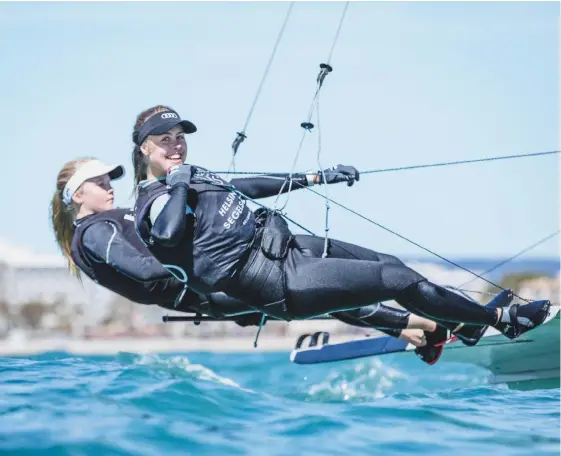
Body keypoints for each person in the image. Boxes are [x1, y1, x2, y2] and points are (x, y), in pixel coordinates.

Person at [131, 104, 550, 345]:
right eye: (165, 139)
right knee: (397, 279)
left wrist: (315, 177)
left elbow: (245, 185)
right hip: (275, 283)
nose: (176, 144)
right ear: (144, 148)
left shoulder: (192, 174)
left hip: (287, 248)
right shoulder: (153, 200)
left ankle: (464, 324)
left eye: (180, 135)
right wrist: (180, 182)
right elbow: (168, 231)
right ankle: (502, 321)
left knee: (389, 262)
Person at [50, 157, 455, 364]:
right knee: (319, 290)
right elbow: (145, 270)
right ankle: (429, 327)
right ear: (76, 196)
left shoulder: (110, 219)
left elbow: (238, 189)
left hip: (217, 283)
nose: (108, 186)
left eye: (109, 180)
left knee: (325, 286)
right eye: (98, 183)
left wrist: (313, 178)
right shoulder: (96, 232)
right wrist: (199, 261)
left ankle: (420, 332)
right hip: (212, 291)